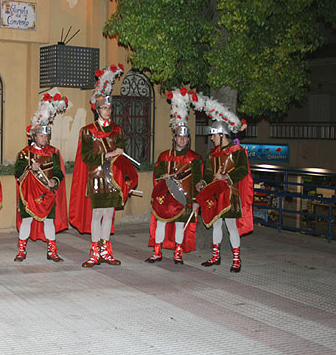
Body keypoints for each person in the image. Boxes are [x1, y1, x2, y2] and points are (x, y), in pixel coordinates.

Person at [69, 64, 138, 268]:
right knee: (98, 213)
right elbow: (87, 156)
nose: (107, 111)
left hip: (114, 177)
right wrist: (107, 154)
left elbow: (123, 152)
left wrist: (119, 152)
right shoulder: (87, 131)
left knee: (109, 214)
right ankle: (94, 253)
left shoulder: (118, 130)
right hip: (97, 176)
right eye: (104, 108)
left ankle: (107, 252)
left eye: (109, 108)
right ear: (96, 109)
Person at [14, 93, 68, 262]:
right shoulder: (25, 153)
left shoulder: (54, 152)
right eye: (41, 136)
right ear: (34, 136)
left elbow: (59, 171)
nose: (45, 138)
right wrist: (30, 168)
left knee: (49, 222)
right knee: (27, 221)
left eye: (46, 136)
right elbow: (18, 173)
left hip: (47, 193)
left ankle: (52, 251)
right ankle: (21, 250)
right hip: (29, 193)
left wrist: (54, 181)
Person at [197, 119, 254, 272]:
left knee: (231, 226)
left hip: (231, 194)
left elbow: (243, 170)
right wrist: (203, 182)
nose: (211, 138)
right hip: (216, 194)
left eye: (214, 135)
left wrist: (226, 177)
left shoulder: (237, 150)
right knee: (216, 224)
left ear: (222, 135)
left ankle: (236, 259)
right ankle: (216, 256)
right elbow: (209, 173)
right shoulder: (212, 154)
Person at [147, 123, 202, 264]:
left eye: (185, 137)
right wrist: (163, 175)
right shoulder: (165, 156)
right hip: (166, 197)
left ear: (188, 139)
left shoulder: (194, 158)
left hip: (185, 197)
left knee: (180, 225)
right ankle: (157, 251)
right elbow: (157, 174)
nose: (182, 140)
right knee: (161, 223)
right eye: (179, 136)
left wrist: (196, 201)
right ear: (175, 138)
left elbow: (197, 180)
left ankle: (178, 253)